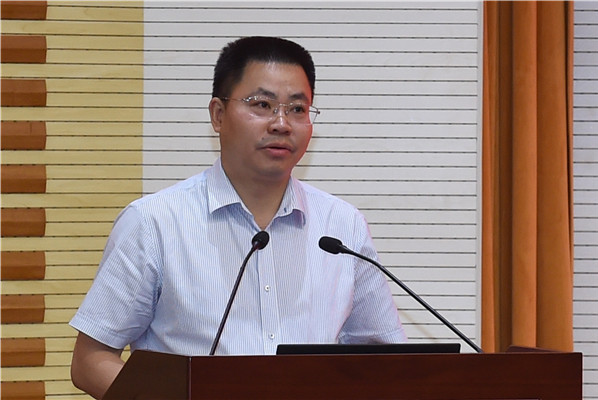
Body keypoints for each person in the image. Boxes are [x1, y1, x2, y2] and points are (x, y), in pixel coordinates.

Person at [69, 36, 406, 399]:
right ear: (218, 115)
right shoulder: (155, 223)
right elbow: (91, 360)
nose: (281, 123)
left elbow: (386, 361)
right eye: (262, 105)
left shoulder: (342, 226)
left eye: (297, 109)